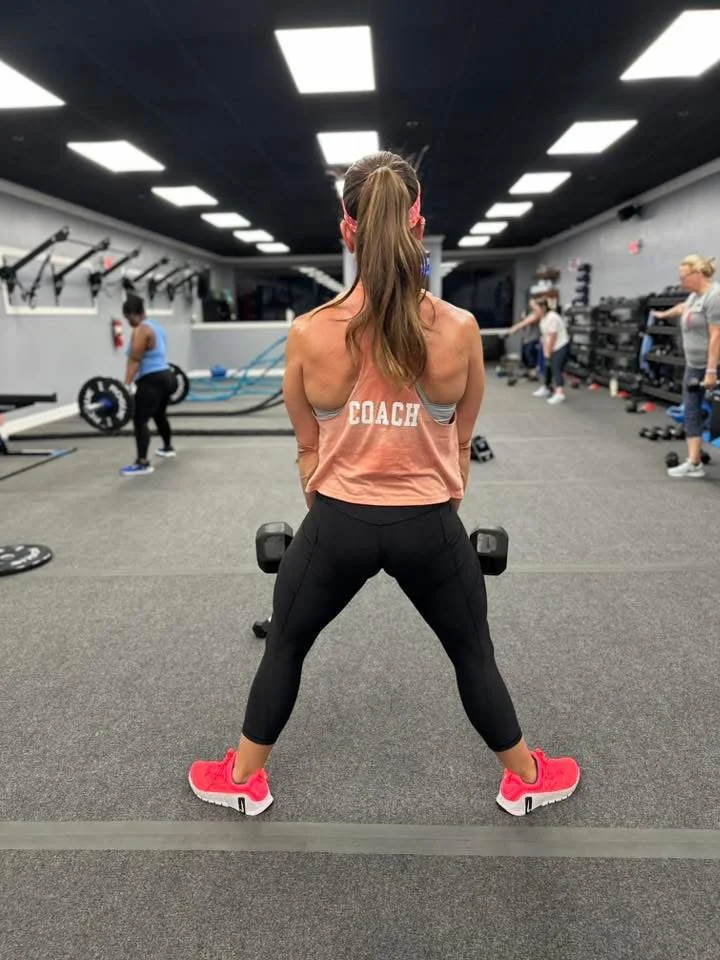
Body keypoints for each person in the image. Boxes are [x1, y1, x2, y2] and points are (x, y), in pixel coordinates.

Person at [188, 152, 580, 818]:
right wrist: (439, 500)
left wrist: (327, 502)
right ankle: (526, 778)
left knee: (285, 644)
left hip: (336, 524)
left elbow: (307, 446)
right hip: (429, 525)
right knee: (473, 654)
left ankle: (243, 778)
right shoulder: (460, 329)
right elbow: (462, 443)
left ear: (348, 229)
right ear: (417, 222)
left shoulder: (308, 332)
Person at [651, 255, 720, 479]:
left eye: (684, 277)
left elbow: (716, 336)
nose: (681, 282)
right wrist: (662, 314)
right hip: (693, 365)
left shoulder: (714, 296)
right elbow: (682, 308)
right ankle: (694, 462)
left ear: (698, 274)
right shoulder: (693, 297)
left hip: (714, 365)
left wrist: (711, 371)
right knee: (691, 410)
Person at [120, 293, 176, 477]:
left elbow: (135, 360)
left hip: (151, 379)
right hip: (167, 376)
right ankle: (167, 447)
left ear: (134, 314)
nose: (128, 321)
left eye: (127, 317)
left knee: (139, 419)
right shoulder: (157, 327)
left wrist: (126, 385)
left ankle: (142, 463)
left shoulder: (141, 330)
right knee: (159, 414)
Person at [509, 298, 569, 404]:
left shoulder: (552, 318)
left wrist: (548, 353)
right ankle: (547, 388)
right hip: (551, 345)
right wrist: (514, 328)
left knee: (556, 368)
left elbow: (553, 337)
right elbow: (530, 324)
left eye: (536, 309)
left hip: (560, 346)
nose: (535, 312)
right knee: (547, 367)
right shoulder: (542, 317)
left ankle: (560, 393)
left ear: (543, 308)